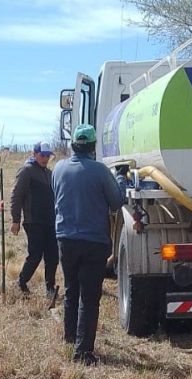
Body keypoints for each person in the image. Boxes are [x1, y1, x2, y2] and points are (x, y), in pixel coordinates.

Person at [52, 124, 127, 365]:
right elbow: (116, 202)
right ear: (93, 147)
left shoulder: (59, 168)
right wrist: (122, 179)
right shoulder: (99, 171)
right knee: (89, 296)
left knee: (71, 289)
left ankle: (70, 337)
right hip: (93, 241)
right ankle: (83, 352)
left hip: (65, 239)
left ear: (73, 144)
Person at [10, 141, 59, 297]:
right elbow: (16, 196)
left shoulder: (50, 174)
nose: (45, 158)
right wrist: (15, 220)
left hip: (50, 221)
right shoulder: (26, 171)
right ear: (35, 154)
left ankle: (50, 288)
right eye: (42, 155)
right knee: (36, 254)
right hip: (34, 221)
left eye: (47, 156)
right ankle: (22, 282)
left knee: (52, 256)